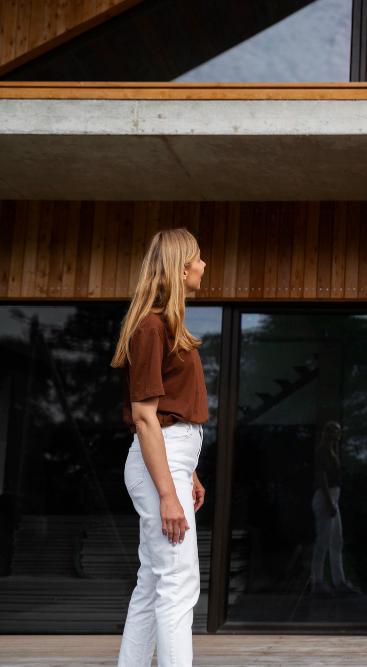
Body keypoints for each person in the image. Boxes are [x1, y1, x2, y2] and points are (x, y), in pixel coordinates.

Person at [111, 228, 208, 667]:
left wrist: (189, 473)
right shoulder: (151, 326)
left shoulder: (165, 325)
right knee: (178, 582)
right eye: (198, 258)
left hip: (169, 459)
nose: (204, 265)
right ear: (181, 268)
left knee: (154, 580)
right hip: (158, 463)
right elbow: (145, 417)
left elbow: (169, 412)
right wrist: (169, 492)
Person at [310, 421, 360, 598]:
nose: (338, 435)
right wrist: (330, 502)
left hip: (333, 499)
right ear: (328, 433)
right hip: (326, 498)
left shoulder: (331, 451)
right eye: (335, 431)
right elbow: (321, 476)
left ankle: (339, 583)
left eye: (339, 431)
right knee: (323, 541)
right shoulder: (323, 451)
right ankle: (316, 583)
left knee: (336, 541)